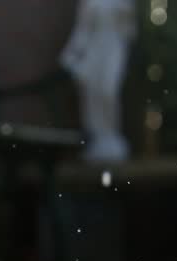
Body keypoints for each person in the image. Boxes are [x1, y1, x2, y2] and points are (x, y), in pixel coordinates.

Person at [59, 0, 136, 163]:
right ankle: (99, 139)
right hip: (94, 50)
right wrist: (71, 54)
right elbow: (83, 30)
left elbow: (129, 29)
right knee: (92, 96)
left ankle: (110, 135)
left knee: (108, 91)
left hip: (114, 48)